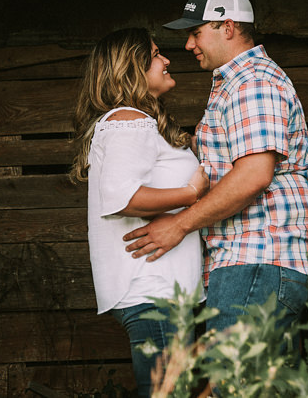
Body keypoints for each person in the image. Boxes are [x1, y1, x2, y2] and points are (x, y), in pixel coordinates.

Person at [123, 0, 308, 351]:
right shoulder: (235, 85)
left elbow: (253, 175)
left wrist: (178, 225)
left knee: (235, 383)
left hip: (260, 257)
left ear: (227, 27)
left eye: (196, 33)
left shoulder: (253, 83)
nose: (188, 45)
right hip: (253, 262)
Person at [70, 27, 208, 398]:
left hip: (162, 292)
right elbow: (122, 196)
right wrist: (192, 191)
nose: (166, 60)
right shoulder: (127, 121)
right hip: (152, 291)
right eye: (156, 54)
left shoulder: (137, 123)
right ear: (132, 67)